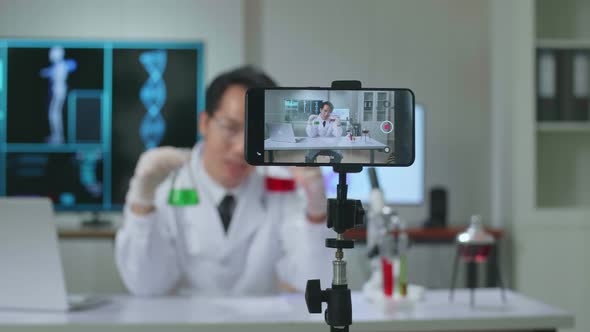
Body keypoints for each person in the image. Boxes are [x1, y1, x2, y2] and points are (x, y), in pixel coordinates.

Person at [115, 66, 333, 296]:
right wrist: (141, 201)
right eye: (231, 128)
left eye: (257, 134)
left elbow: (315, 280)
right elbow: (145, 286)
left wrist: (316, 212)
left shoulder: (283, 186)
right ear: (204, 123)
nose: (241, 148)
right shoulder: (170, 185)